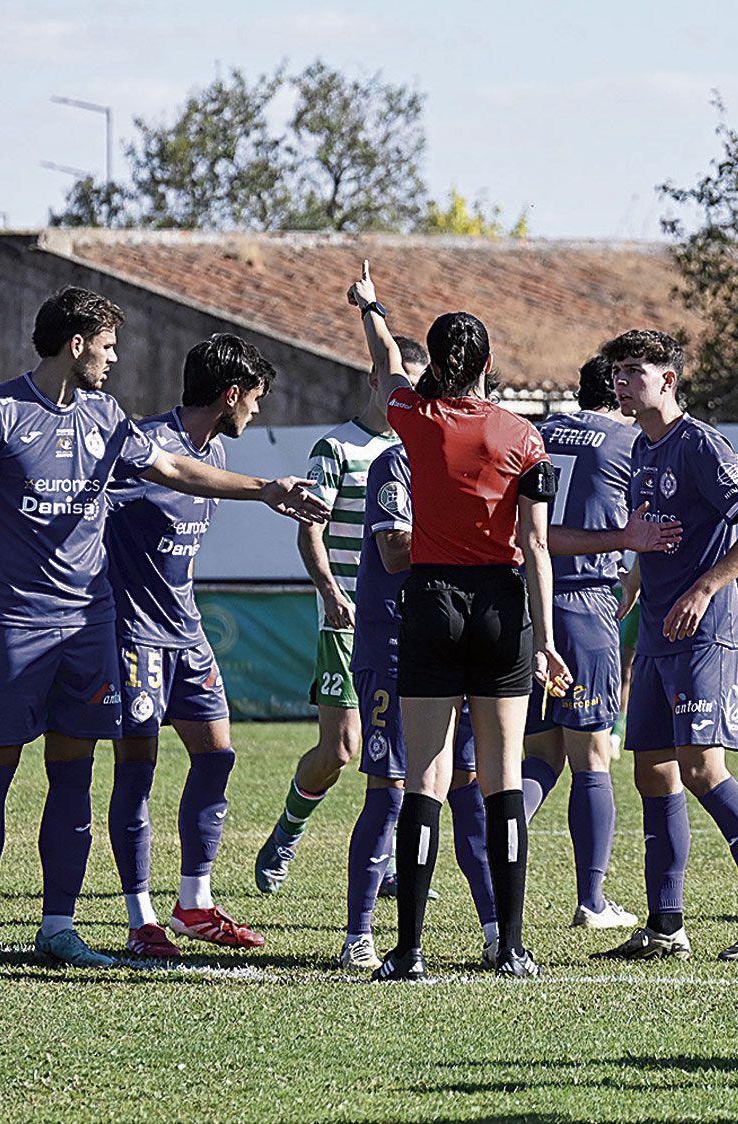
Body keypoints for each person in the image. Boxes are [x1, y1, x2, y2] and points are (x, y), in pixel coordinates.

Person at [0, 285, 325, 971]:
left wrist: (265, 489)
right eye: (107, 346)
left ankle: (58, 926)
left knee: (74, 777)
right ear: (76, 344)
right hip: (13, 623)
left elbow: (170, 466)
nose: (114, 360)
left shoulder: (108, 416)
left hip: (89, 626)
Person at [347, 265, 569, 982]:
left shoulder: (417, 418)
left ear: (436, 365)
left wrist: (373, 306)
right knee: (502, 780)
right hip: (503, 608)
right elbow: (536, 545)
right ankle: (510, 946)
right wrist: (549, 642)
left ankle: (407, 951)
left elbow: (384, 366)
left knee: (424, 779)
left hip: (432, 603)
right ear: (491, 366)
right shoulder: (525, 437)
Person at [598, 327, 738, 963]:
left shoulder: (698, 443)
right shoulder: (643, 449)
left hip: (705, 633)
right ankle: (665, 927)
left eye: (636, 370)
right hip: (658, 633)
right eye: (619, 371)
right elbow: (657, 536)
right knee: (652, 773)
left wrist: (706, 587)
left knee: (703, 769)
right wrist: (628, 590)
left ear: (669, 380)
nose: (623, 381)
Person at [100, 333, 274, 959]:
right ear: (230, 394)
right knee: (137, 774)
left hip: (188, 632)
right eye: (254, 397)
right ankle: (139, 916)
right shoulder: (146, 445)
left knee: (217, 757)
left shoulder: (217, 448)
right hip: (134, 636)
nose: (257, 411)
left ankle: (194, 903)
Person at [252, 332, 429, 897]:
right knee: (341, 749)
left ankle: (397, 865)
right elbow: (311, 529)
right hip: (347, 618)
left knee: (408, 754)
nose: (408, 393)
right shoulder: (338, 449)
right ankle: (288, 829)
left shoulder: (425, 449)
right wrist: (331, 590)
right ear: (375, 378)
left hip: (407, 621)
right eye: (399, 379)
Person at [519, 354, 676, 930]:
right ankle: (593, 901)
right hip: (585, 604)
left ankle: (489, 847)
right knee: (590, 759)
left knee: (539, 754)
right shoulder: (629, 442)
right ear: (618, 392)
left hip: (527, 607)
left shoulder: (535, 433)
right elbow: (652, 527)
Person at [338, 442, 504, 970]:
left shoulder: (482, 456)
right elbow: (393, 550)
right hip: (394, 644)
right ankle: (359, 935)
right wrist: (473, 536)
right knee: (390, 793)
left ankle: (497, 930)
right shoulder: (399, 461)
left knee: (468, 788)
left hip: (464, 639)